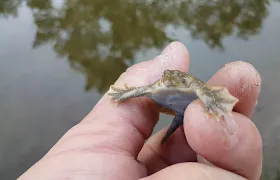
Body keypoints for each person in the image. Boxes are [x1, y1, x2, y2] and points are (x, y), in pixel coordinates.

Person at [18, 42, 262, 180]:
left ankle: (190, 131)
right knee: (178, 124)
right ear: (166, 77)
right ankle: (173, 137)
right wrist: (123, 94)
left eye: (178, 77)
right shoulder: (158, 85)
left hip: (188, 112)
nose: (173, 78)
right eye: (170, 76)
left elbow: (203, 90)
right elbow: (142, 89)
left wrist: (210, 100)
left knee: (187, 120)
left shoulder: (191, 84)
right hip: (178, 113)